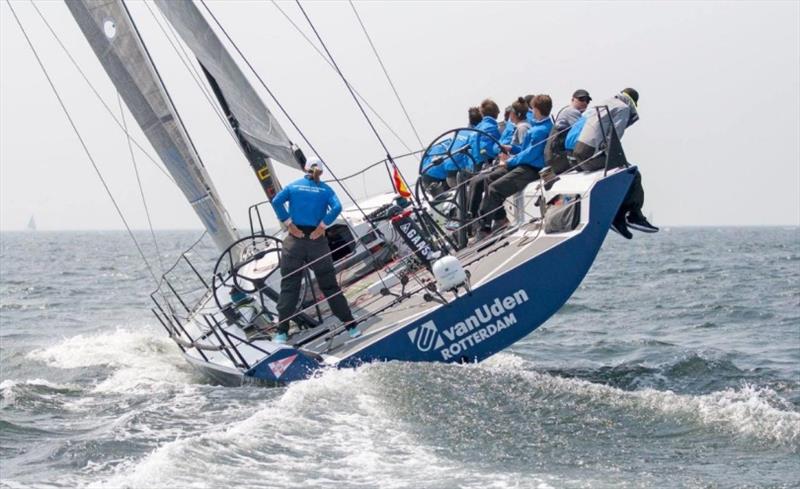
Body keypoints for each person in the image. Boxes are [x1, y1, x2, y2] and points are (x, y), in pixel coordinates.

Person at [270, 158, 360, 343]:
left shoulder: (294, 186)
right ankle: (351, 326)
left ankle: (282, 332)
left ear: (305, 169)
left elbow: (277, 201)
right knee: (329, 286)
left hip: (294, 241)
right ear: (321, 171)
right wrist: (322, 226)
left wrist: (289, 224)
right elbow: (337, 207)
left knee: (289, 287)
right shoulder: (326, 190)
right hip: (317, 242)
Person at [572, 88, 658, 238]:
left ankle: (617, 216)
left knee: (620, 171)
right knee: (632, 173)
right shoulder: (623, 108)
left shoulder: (606, 102)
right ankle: (633, 216)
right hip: (591, 154)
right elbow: (613, 138)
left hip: (578, 153)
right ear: (632, 102)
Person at [474, 95, 554, 240]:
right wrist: (511, 149)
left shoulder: (540, 130)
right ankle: (500, 220)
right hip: (525, 163)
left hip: (531, 169)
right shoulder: (539, 127)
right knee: (488, 179)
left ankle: (484, 228)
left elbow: (530, 154)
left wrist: (510, 162)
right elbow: (526, 150)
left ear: (536, 109)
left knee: (494, 189)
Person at [544, 89, 591, 173]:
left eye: (587, 100)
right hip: (557, 158)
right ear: (573, 99)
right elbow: (585, 132)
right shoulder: (572, 112)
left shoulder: (566, 110)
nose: (584, 102)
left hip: (553, 157)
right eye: (581, 99)